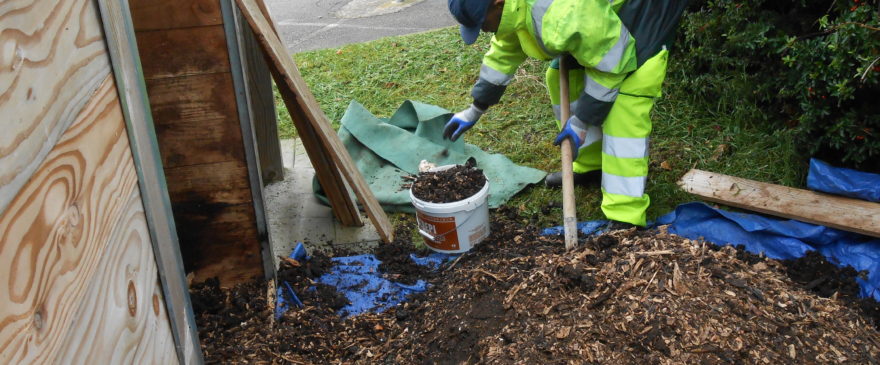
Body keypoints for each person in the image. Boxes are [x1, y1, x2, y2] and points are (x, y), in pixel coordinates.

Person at [445, 0, 689, 227]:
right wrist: (474, 110)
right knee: (562, 78)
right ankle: (593, 165)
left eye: (482, 22)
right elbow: (505, 51)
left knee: (625, 105)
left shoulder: (561, 14)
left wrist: (581, 121)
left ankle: (625, 215)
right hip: (596, 22)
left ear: (497, 2)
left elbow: (614, 64)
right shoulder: (513, 9)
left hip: (642, 11)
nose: (484, 30)